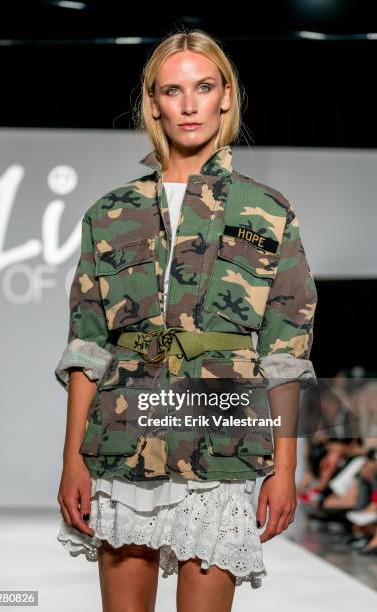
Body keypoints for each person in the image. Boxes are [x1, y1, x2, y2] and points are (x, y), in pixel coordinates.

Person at [55, 28, 317, 612]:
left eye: (203, 87)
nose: (189, 103)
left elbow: (286, 352)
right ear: (153, 104)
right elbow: (87, 348)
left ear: (226, 95)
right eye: (172, 91)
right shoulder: (111, 211)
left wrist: (284, 468)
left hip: (220, 441)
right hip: (122, 440)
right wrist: (72, 459)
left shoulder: (267, 211)